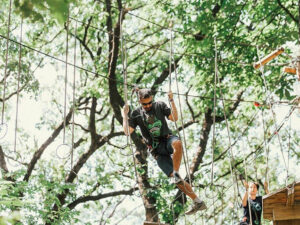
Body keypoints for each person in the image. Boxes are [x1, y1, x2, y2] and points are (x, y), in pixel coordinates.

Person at [121, 88, 206, 215]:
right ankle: (198, 202)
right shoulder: (136, 114)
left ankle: (176, 172)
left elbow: (174, 117)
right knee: (177, 181)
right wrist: (124, 116)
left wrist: (171, 100)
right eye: (145, 104)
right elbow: (127, 132)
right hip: (156, 149)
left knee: (177, 143)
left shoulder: (159, 105)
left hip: (167, 139)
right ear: (139, 101)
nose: (148, 105)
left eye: (150, 102)